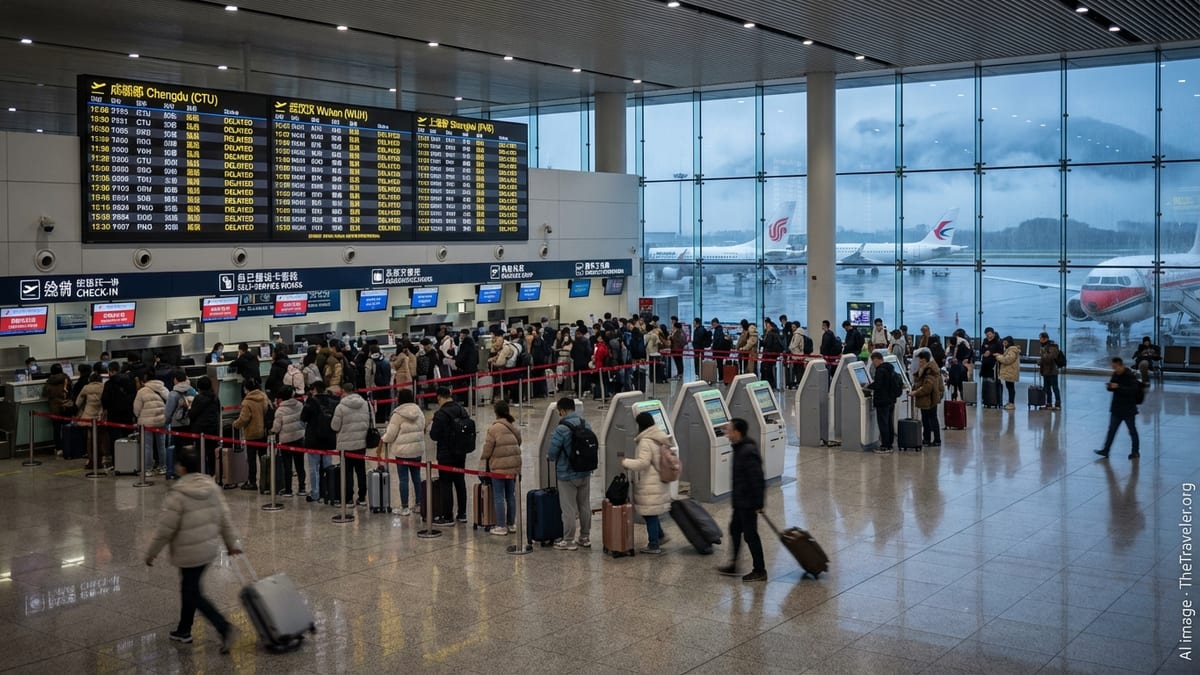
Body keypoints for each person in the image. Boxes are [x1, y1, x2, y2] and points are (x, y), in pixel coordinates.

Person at [143, 448, 240, 652]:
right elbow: (225, 518)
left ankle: (224, 628)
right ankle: (184, 630)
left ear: (182, 467)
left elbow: (164, 530)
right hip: (207, 550)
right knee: (189, 588)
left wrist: (151, 553)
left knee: (193, 593)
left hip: (189, 553)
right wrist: (231, 544)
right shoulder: (211, 486)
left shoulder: (179, 493)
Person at [718, 418, 766, 582]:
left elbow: (757, 479)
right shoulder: (740, 448)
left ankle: (760, 570)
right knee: (735, 530)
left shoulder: (747, 451)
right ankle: (734, 564)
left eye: (729, 429)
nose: (726, 433)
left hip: (748, 503)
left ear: (737, 432)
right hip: (740, 502)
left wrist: (759, 503)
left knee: (751, 535)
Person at [546, 398, 594, 550]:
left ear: (562, 410)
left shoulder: (561, 429)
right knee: (584, 505)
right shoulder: (585, 424)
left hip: (567, 475)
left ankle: (568, 541)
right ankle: (585, 537)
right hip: (585, 471)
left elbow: (552, 453)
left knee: (568, 509)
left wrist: (551, 457)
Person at [621, 412, 672, 554]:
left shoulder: (645, 441)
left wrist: (626, 462)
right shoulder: (659, 435)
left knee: (649, 514)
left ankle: (654, 545)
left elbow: (643, 463)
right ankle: (660, 535)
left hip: (650, 482)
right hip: (659, 480)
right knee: (651, 513)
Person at [429, 387, 471, 524]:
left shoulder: (441, 414)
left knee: (446, 484)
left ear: (440, 397)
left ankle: (447, 516)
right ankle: (462, 514)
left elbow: (434, 436)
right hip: (461, 452)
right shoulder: (462, 410)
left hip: (446, 454)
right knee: (460, 482)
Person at [480, 400, 521, 535]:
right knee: (511, 495)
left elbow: (487, 450)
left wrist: (484, 459)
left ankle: (501, 526)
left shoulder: (494, 428)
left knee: (498, 496)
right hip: (513, 467)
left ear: (495, 412)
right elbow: (519, 442)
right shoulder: (512, 427)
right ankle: (511, 524)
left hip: (498, 467)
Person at [381, 388, 425, 516]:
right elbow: (422, 427)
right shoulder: (419, 412)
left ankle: (404, 507)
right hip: (417, 450)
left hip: (402, 452)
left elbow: (390, 434)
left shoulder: (397, 414)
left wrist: (383, 439)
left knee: (403, 479)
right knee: (417, 478)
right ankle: (419, 504)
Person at [331, 381, 371, 507]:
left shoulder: (340, 407)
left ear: (343, 391)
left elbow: (334, 426)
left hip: (345, 445)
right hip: (361, 443)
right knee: (360, 471)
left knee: (347, 472)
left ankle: (348, 498)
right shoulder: (364, 404)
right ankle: (362, 497)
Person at [1095, 357, 1142, 460]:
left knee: (1132, 431)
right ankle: (1106, 450)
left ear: (1121, 365)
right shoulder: (1116, 374)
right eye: (1113, 367)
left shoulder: (1130, 376)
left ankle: (1135, 451)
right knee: (1111, 430)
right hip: (1116, 409)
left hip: (1128, 410)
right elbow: (1112, 387)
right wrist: (1110, 386)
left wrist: (1118, 387)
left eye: (1115, 367)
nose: (1114, 369)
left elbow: (1132, 390)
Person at [301, 381, 339, 503]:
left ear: (315, 390)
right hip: (329, 438)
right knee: (328, 466)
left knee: (314, 468)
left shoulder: (310, 402)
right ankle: (328, 491)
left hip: (313, 439)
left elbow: (302, 420)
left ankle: (315, 493)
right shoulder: (333, 401)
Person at [232, 378, 270, 492]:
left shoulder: (247, 402)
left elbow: (244, 419)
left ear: (246, 389)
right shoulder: (264, 397)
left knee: (252, 460)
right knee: (263, 458)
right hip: (263, 432)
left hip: (251, 434)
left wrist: (235, 424)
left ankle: (252, 482)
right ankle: (265, 481)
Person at [271, 385, 306, 497]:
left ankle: (288, 490)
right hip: (299, 437)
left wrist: (272, 431)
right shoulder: (300, 405)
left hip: (286, 441)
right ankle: (302, 488)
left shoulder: (280, 410)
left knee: (287, 466)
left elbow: (276, 428)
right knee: (300, 465)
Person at [162, 369, 196, 481]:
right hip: (190, 423)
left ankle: (179, 471)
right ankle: (191, 469)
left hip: (177, 425)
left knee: (178, 448)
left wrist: (166, 423)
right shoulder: (191, 390)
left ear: (175, 380)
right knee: (189, 447)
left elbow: (168, 412)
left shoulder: (173, 394)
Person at [134, 374, 171, 476]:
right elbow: (169, 404)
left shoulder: (142, 391)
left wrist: (138, 416)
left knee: (147, 446)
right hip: (161, 421)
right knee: (161, 445)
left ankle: (148, 469)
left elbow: (136, 409)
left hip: (147, 423)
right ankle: (163, 467)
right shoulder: (164, 389)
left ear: (146, 380)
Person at [867, 352, 900, 454]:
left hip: (882, 401)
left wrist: (867, 386)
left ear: (877, 359)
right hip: (891, 400)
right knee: (889, 422)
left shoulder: (880, 371)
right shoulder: (890, 368)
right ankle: (889, 444)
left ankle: (885, 446)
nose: (873, 364)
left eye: (873, 361)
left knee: (883, 424)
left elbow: (878, 385)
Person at [909, 350, 944, 447]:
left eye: (921, 361)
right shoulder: (932, 368)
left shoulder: (929, 371)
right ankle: (931, 439)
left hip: (928, 399)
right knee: (931, 419)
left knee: (929, 419)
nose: (919, 363)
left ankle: (930, 439)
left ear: (925, 360)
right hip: (932, 398)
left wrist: (916, 392)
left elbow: (927, 387)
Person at [188, 377, 221, 477]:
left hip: (201, 430)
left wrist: (189, 408)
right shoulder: (215, 397)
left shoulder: (199, 398)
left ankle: (201, 473)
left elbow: (192, 414)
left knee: (200, 453)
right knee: (212, 453)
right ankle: (213, 473)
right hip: (213, 429)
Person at [75, 372, 105, 470]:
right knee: (100, 439)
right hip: (100, 415)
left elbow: (78, 402)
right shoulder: (103, 387)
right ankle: (100, 460)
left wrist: (76, 412)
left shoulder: (86, 388)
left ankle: (91, 460)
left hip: (88, 415)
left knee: (89, 439)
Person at [42, 363, 73, 455]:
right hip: (66, 406)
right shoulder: (67, 379)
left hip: (55, 408)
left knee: (56, 429)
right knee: (67, 428)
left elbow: (44, 394)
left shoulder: (49, 382)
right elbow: (71, 391)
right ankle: (68, 446)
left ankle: (59, 448)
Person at [1037, 332, 1063, 410]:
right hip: (1045, 371)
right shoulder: (1043, 347)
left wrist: (1041, 361)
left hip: (1052, 371)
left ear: (1045, 338)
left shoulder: (1053, 346)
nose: (1039, 340)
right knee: (1047, 388)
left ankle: (1058, 404)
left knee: (1055, 387)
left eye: (1041, 338)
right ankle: (1049, 403)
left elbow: (1050, 357)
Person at [996, 336, 1021, 411]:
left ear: (1009, 343)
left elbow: (1007, 360)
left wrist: (998, 357)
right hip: (1009, 371)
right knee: (1009, 387)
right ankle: (1010, 402)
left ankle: (1011, 403)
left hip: (1010, 372)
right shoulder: (1010, 349)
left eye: (1005, 343)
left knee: (1011, 388)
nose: (1004, 344)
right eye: (1003, 342)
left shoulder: (1012, 350)